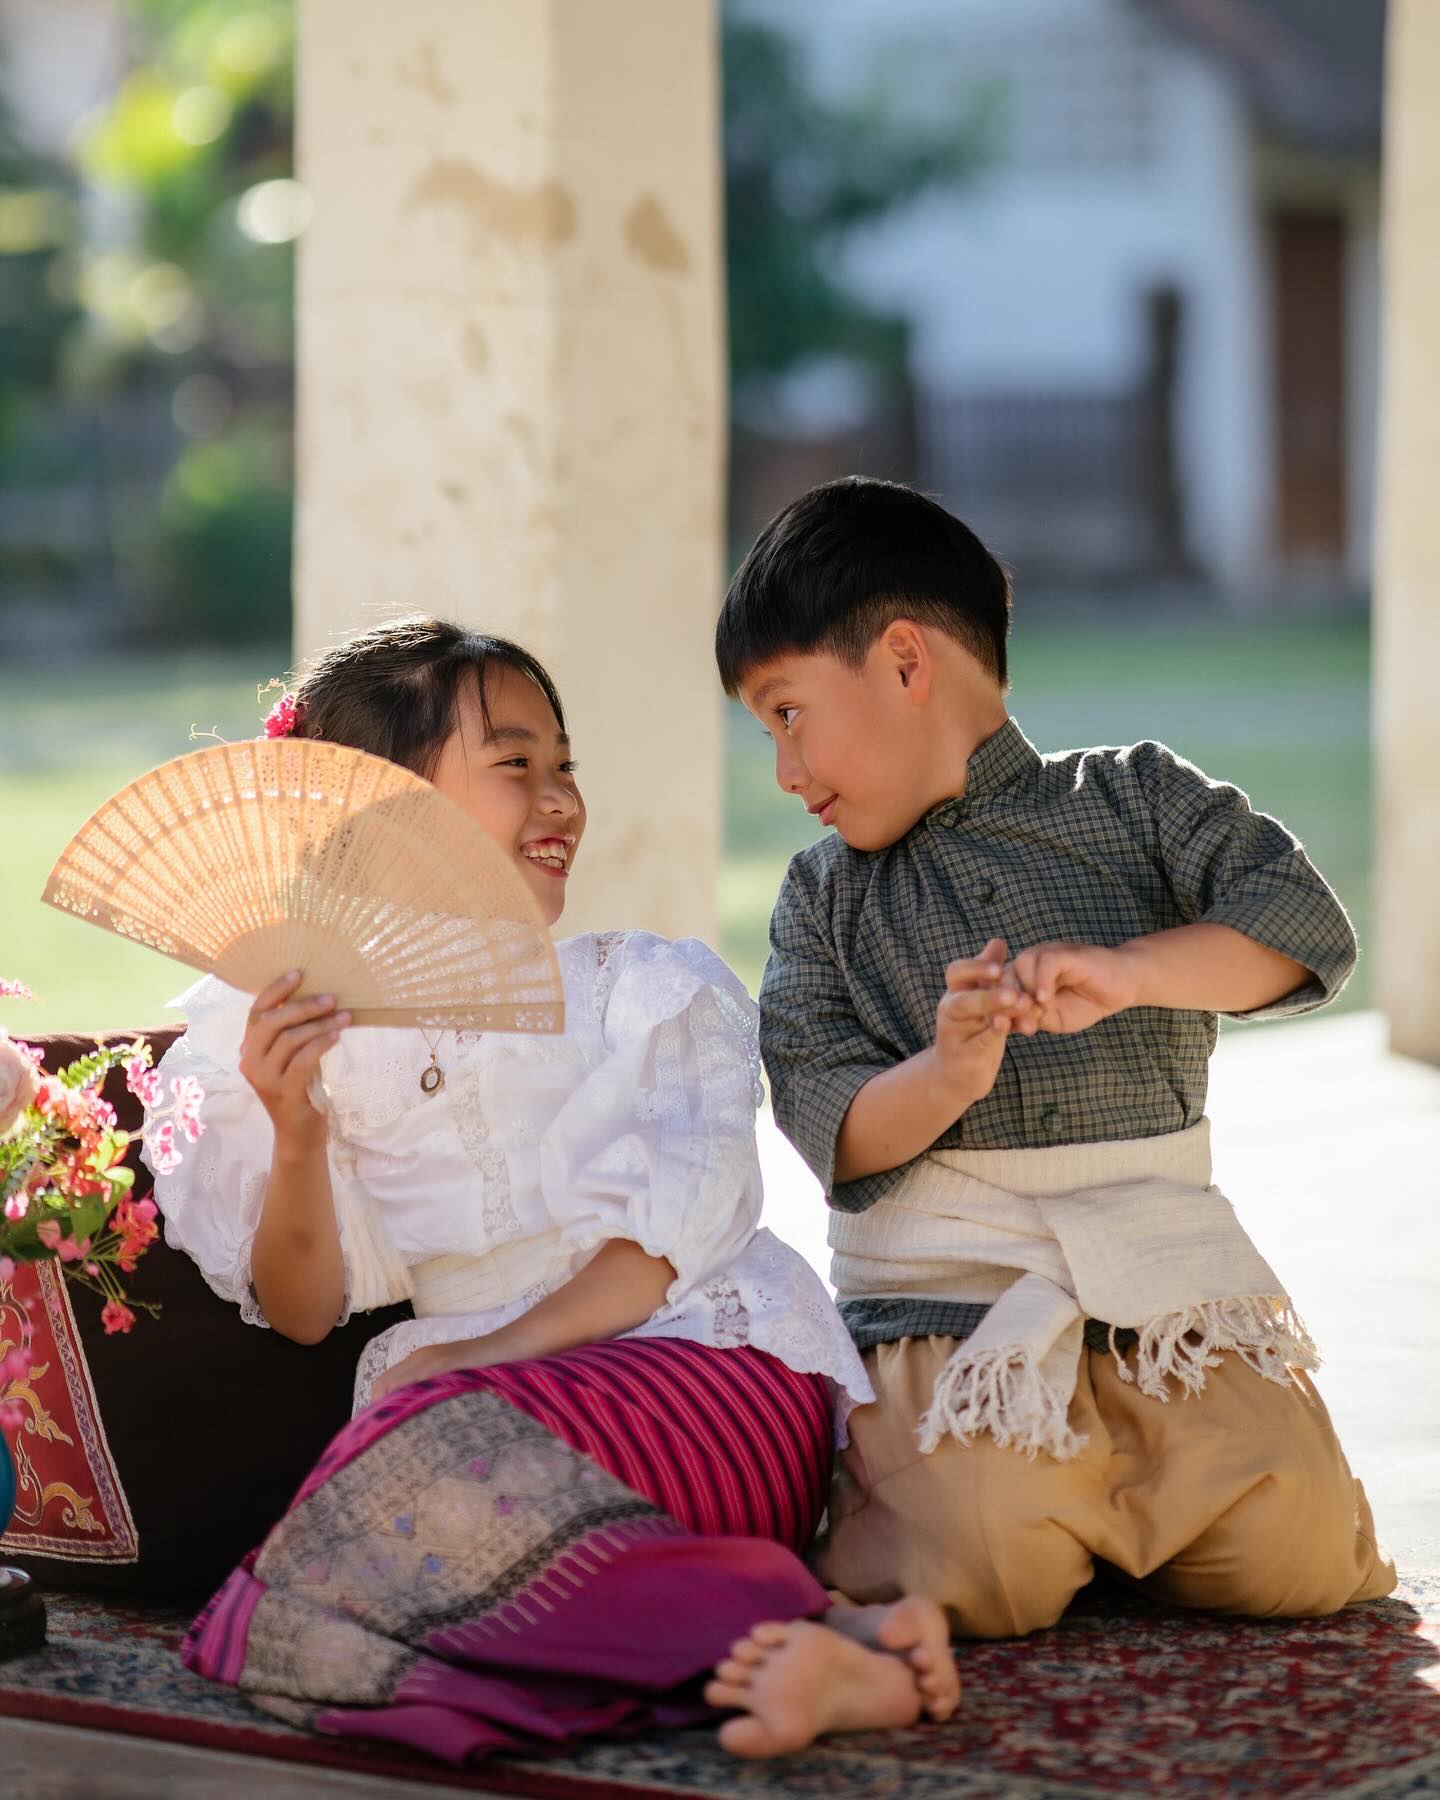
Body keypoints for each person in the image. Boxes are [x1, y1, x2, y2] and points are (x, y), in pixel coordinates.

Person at [143, 617, 960, 1764]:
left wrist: (489, 1356)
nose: (562, 796)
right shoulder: (296, 1039)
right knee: (276, 1621)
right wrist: (293, 1132)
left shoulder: (635, 988)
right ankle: (838, 1650)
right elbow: (305, 1309)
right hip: (468, 1420)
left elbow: (669, 1243)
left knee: (392, 1485)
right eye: (516, 765)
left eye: (563, 764)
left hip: (702, 1365)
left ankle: (803, 1631)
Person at [717, 476, 1396, 1639]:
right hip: (953, 1315)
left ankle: (1109, 1502)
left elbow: (1302, 935)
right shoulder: (818, 899)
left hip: (1165, 1302)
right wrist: (945, 1077)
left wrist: (1137, 971)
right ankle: (1045, 1510)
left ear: (903, 661)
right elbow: (825, 1118)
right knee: (975, 1565)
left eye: (787, 713)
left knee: (1298, 1555)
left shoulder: (1136, 798)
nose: (784, 771)